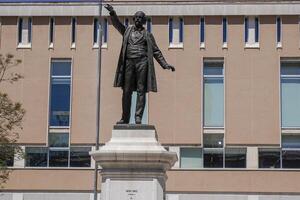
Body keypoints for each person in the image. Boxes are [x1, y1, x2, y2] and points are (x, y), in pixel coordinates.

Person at [105, 4, 175, 124]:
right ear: (133, 19)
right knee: (126, 91)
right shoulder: (127, 31)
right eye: (136, 17)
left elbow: (156, 51)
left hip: (142, 62)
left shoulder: (148, 35)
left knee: (141, 90)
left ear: (144, 21)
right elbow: (117, 25)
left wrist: (165, 64)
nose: (137, 19)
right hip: (128, 62)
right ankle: (125, 118)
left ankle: (138, 117)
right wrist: (112, 13)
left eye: (140, 17)